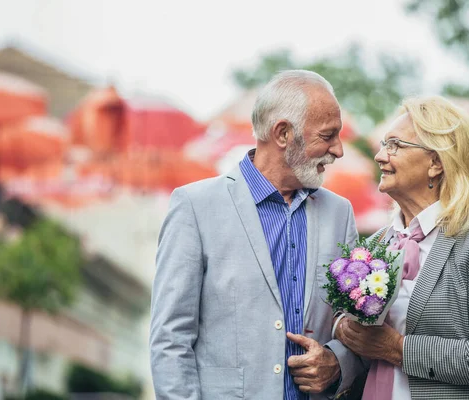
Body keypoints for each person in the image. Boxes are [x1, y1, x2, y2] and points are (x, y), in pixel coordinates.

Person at [150, 70, 363, 399]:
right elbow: (170, 339)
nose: (338, 150)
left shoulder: (340, 213)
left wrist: (338, 362)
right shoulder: (195, 206)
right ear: (283, 134)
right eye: (328, 135)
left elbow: (355, 325)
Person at [335, 95, 469, 399]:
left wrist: (397, 349)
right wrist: (340, 345)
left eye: (395, 145)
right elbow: (364, 349)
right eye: (384, 144)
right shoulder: (373, 246)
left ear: (436, 163)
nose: (380, 156)